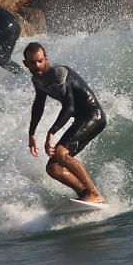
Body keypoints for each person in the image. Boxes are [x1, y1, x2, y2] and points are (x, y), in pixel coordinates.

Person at [23, 42, 107, 203]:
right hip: (81, 120)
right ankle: (84, 193)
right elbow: (38, 106)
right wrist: (31, 133)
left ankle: (94, 193)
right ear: (26, 64)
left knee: (61, 153)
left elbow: (69, 107)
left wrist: (51, 133)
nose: (37, 65)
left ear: (46, 59)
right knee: (53, 168)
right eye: (32, 62)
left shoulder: (59, 73)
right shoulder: (37, 80)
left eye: (40, 61)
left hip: (93, 116)